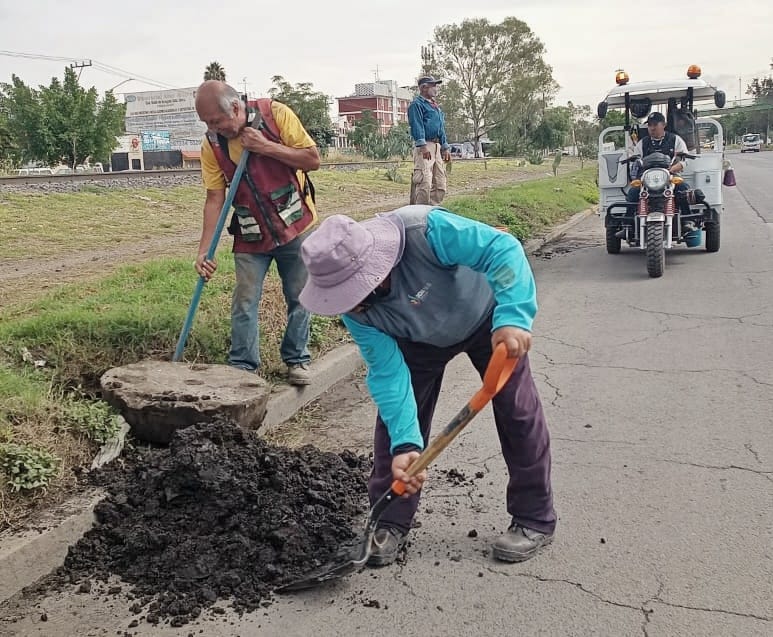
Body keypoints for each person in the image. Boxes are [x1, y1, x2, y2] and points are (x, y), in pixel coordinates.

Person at [298, 205, 556, 566]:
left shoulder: (426, 231)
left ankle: (535, 517)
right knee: (393, 432)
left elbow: (503, 248)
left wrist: (513, 317)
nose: (353, 307)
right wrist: (407, 442)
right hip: (418, 342)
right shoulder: (358, 314)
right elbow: (389, 375)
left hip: (487, 321)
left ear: (376, 270)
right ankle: (389, 519)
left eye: (355, 295)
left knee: (518, 412)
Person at [193, 80, 320, 385]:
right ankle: (243, 368)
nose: (213, 128)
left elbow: (312, 159)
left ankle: (297, 359)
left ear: (235, 108)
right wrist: (203, 250)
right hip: (251, 234)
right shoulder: (212, 144)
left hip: (295, 226)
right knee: (244, 300)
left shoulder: (276, 115)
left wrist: (266, 147)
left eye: (216, 121)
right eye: (207, 123)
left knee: (301, 297)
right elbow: (214, 198)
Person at [626, 111, 692, 220]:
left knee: (683, 189)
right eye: (650, 125)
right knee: (633, 192)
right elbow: (635, 160)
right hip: (646, 178)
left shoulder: (675, 140)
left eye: (655, 125)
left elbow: (684, 160)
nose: (652, 128)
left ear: (664, 125)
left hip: (670, 176)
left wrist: (672, 169)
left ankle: (687, 220)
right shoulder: (642, 143)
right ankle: (628, 224)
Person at [407, 76, 451, 206]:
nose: (435, 89)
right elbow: (417, 125)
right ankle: (418, 211)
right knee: (424, 181)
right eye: (433, 86)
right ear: (424, 87)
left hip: (436, 146)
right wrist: (422, 146)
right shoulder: (417, 105)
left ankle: (432, 210)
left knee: (440, 182)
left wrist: (445, 146)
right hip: (425, 145)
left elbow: (441, 127)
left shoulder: (435, 107)